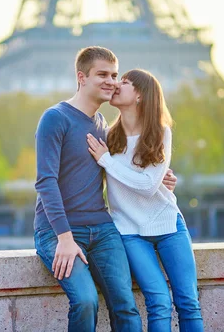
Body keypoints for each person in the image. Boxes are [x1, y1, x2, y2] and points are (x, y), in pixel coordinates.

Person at [34, 47, 178, 332]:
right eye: (102, 74)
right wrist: (64, 238)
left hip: (102, 228)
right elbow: (45, 182)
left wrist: (157, 177)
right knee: (86, 301)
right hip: (58, 231)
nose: (111, 81)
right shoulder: (55, 118)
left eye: (114, 75)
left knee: (126, 305)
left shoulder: (106, 128)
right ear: (81, 77)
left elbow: (121, 168)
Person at [86, 68, 204, 331]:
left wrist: (107, 161)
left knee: (188, 302)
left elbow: (149, 185)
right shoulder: (107, 136)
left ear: (140, 95)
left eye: (124, 82)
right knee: (159, 301)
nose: (116, 84)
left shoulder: (161, 132)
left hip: (168, 224)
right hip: (129, 231)